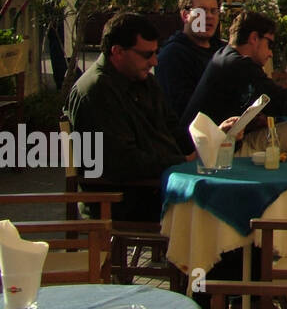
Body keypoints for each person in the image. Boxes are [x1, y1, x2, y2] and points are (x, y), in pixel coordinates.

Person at [65, 13, 237, 220]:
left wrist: (213, 136)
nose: (155, 61)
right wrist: (181, 161)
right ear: (117, 52)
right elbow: (121, 162)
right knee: (223, 212)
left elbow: (174, 130)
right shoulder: (96, 91)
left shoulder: (142, 80)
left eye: (156, 53)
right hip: (126, 198)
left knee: (231, 201)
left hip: (158, 184)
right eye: (147, 55)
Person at [184, 11, 287, 162]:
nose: (271, 53)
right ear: (254, 38)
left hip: (206, 146)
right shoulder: (242, 65)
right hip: (214, 154)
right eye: (270, 44)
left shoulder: (224, 56)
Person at [155, 0, 224, 151]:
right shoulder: (173, 55)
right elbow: (181, 112)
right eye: (202, 11)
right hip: (195, 145)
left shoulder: (221, 51)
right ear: (185, 15)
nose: (209, 17)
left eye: (214, 11)